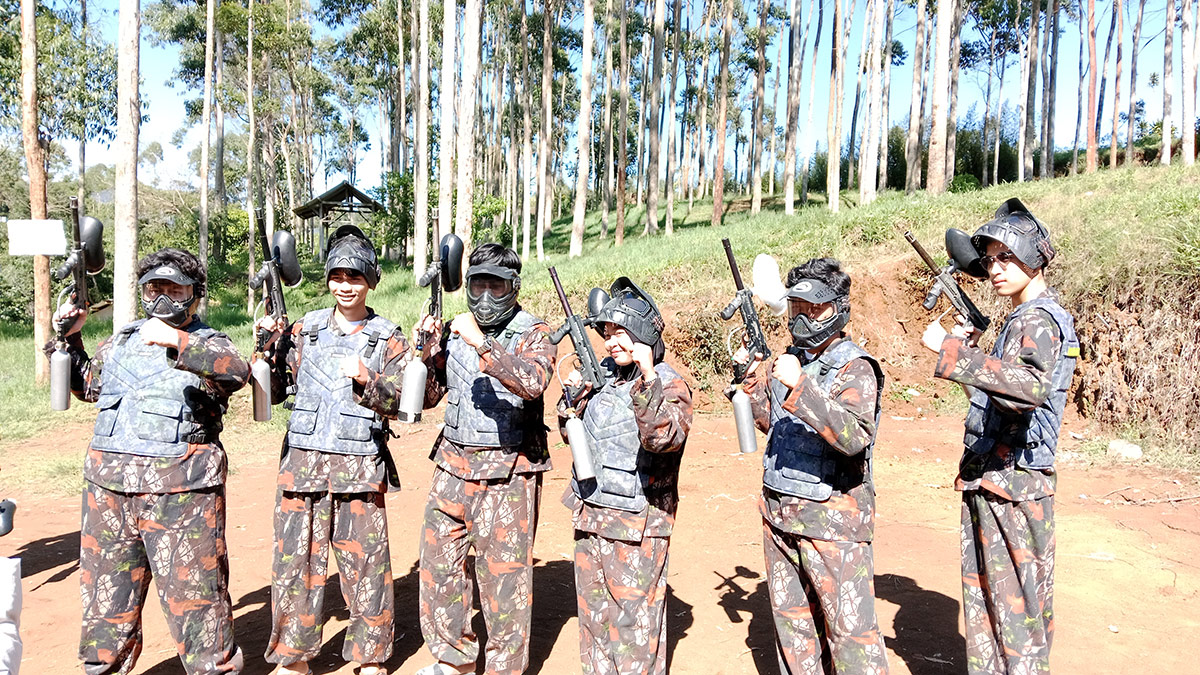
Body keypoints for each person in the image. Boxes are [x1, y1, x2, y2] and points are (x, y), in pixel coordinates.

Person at [47, 248, 248, 674]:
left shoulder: (210, 341)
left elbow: (236, 372)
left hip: (180, 496)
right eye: (154, 289)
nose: (162, 299)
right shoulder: (123, 339)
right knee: (105, 607)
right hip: (109, 495)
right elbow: (90, 387)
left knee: (198, 606)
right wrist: (70, 339)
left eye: (175, 290)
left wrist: (179, 342)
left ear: (194, 294)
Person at [920, 199, 1079, 675]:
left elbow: (1027, 391)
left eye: (1005, 257)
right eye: (989, 259)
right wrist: (969, 359)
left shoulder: (1037, 319)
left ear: (1032, 255)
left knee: (1016, 623)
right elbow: (997, 402)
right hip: (999, 482)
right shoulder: (1025, 318)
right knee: (992, 616)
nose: (994, 268)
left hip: (1015, 486)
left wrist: (953, 352)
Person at [257, 225, 415, 675]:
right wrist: (265, 346)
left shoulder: (388, 338)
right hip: (302, 468)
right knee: (295, 566)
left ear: (370, 281)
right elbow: (276, 390)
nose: (345, 286)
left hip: (358, 470)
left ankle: (370, 657)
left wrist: (368, 379)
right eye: (337, 277)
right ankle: (293, 657)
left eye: (355, 277)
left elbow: (407, 403)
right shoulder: (304, 329)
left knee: (366, 566)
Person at [734, 257, 890, 675]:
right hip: (780, 517)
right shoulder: (792, 358)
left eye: (814, 308)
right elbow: (773, 422)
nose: (803, 317)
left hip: (832, 525)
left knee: (851, 638)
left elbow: (854, 436)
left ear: (838, 309)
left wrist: (800, 386)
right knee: (795, 634)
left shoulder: (856, 366)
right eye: (797, 307)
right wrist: (750, 377)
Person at [414, 243, 555, 675]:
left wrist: (482, 344)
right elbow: (429, 396)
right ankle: (452, 660)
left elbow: (533, 382)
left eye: (497, 286)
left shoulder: (534, 332)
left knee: (504, 581)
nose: (487, 296)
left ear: (514, 287)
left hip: (508, 473)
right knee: (439, 568)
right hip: (452, 467)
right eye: (479, 286)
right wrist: (427, 350)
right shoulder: (453, 331)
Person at [559, 277, 693, 675]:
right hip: (592, 515)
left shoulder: (668, 383)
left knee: (634, 627)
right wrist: (571, 401)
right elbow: (573, 434)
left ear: (643, 335)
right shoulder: (602, 376)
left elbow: (663, 438)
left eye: (621, 333)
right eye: (607, 334)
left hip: (637, 527)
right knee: (595, 622)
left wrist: (648, 378)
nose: (611, 343)